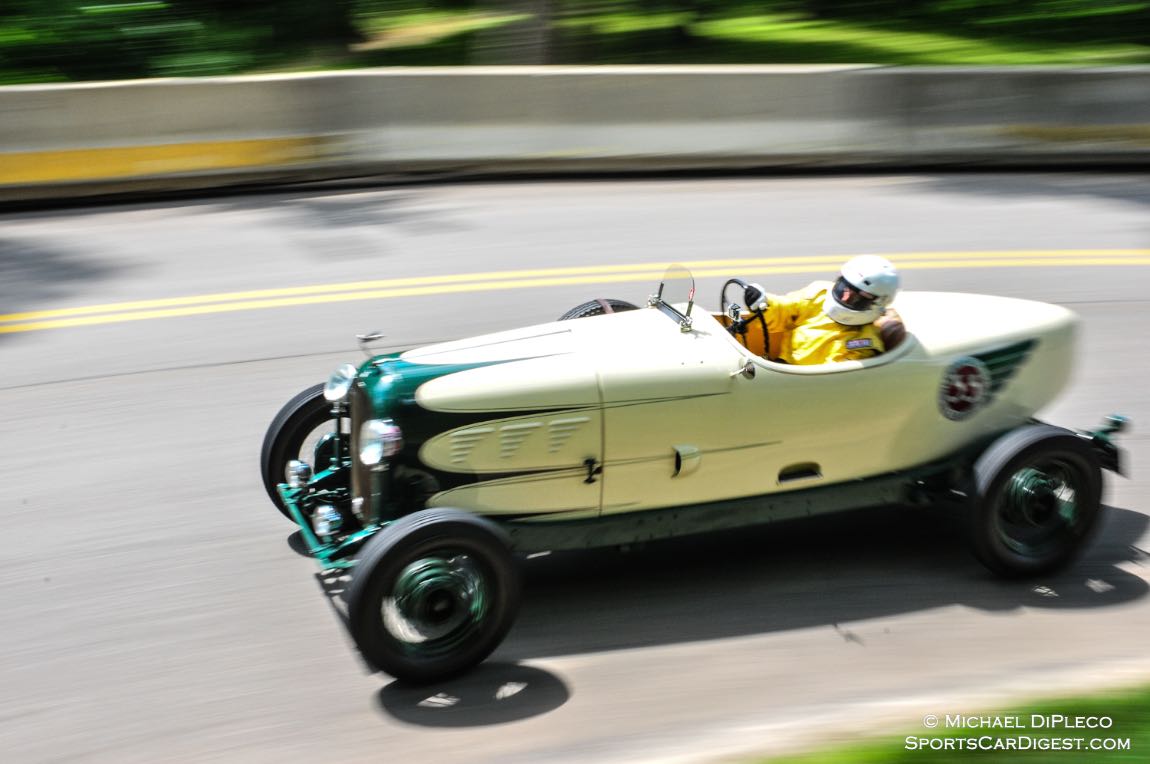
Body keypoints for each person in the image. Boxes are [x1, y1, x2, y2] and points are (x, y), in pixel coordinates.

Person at [755, 255, 903, 365]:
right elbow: (786, 308)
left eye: (857, 297)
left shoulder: (863, 344)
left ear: (876, 303)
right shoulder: (819, 293)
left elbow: (832, 379)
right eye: (844, 287)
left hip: (800, 387)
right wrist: (763, 303)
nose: (845, 297)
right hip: (782, 366)